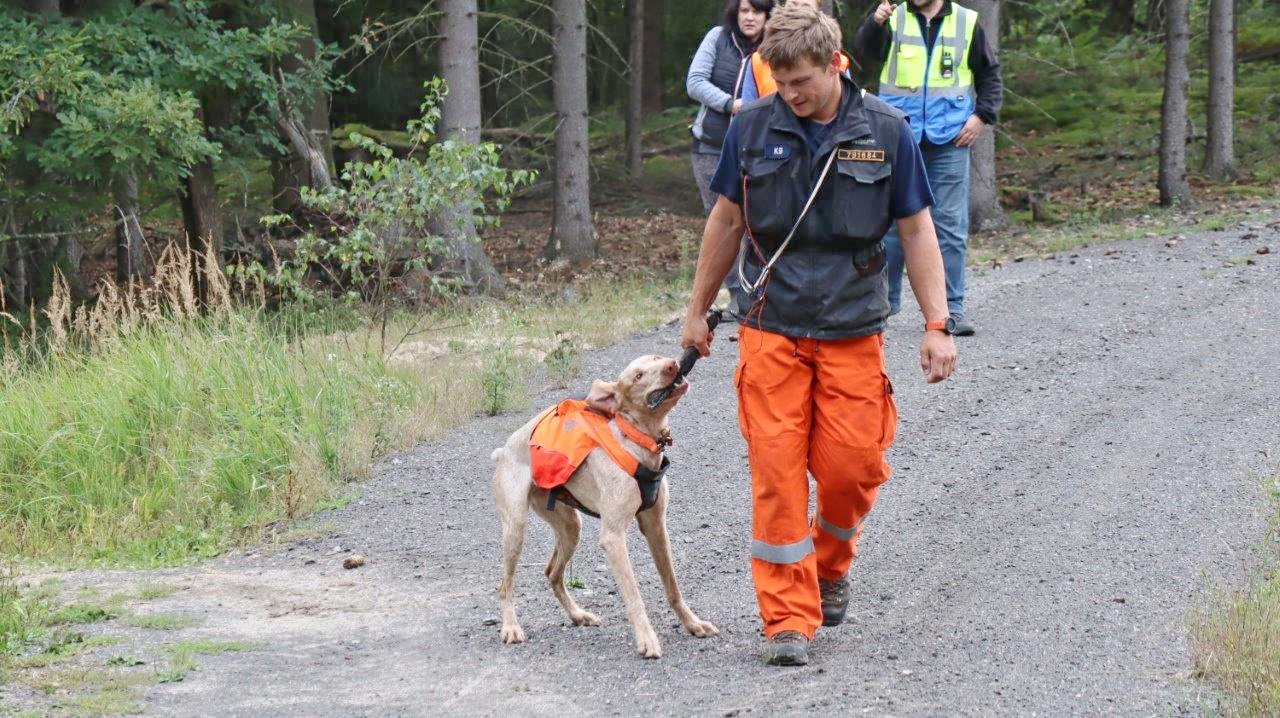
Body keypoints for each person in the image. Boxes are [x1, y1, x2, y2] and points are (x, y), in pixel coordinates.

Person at [679, 2, 957, 666]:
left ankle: (829, 566)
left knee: (852, 470)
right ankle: (787, 618)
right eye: (781, 81)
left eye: (802, 80)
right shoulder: (750, 129)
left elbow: (917, 230)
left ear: (836, 63)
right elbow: (725, 222)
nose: (792, 94)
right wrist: (697, 309)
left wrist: (937, 323)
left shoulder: (886, 130)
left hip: (852, 327)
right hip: (771, 325)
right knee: (776, 473)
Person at [854, 0, 1003, 336]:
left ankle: (952, 309)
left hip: (949, 137)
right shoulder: (892, 18)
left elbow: (990, 75)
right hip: (899, 135)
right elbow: (865, 54)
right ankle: (884, 305)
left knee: (949, 224)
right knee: (889, 224)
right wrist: (874, 24)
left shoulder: (966, 23)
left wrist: (982, 117)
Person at [687, 0, 776, 214]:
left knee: (754, 221)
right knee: (719, 221)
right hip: (711, 147)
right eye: (744, 11)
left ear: (767, 16)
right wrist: (730, 104)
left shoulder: (775, 47)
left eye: (757, 12)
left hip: (757, 151)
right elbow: (695, 82)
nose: (749, 17)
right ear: (735, 13)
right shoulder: (717, 37)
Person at [737, 0, 853, 104]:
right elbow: (748, 115)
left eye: (806, 7)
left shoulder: (835, 61)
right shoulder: (759, 60)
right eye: (792, 5)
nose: (797, 12)